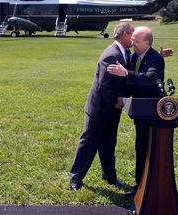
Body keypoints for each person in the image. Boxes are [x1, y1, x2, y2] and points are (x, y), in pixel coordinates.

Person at [69, 22, 134, 191]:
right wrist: (117, 101)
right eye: (132, 35)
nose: (134, 39)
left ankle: (109, 176)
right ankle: (75, 178)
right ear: (125, 34)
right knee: (89, 142)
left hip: (112, 109)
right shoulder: (112, 55)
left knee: (108, 143)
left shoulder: (125, 52)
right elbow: (104, 84)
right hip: (99, 109)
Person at [107, 26, 165, 197]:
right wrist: (122, 97)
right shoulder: (134, 56)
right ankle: (140, 184)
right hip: (139, 111)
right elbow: (130, 83)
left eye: (136, 42)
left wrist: (125, 73)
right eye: (132, 40)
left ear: (147, 42)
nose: (132, 44)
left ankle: (152, 184)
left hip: (153, 113)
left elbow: (148, 80)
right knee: (140, 147)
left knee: (150, 148)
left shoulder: (156, 59)